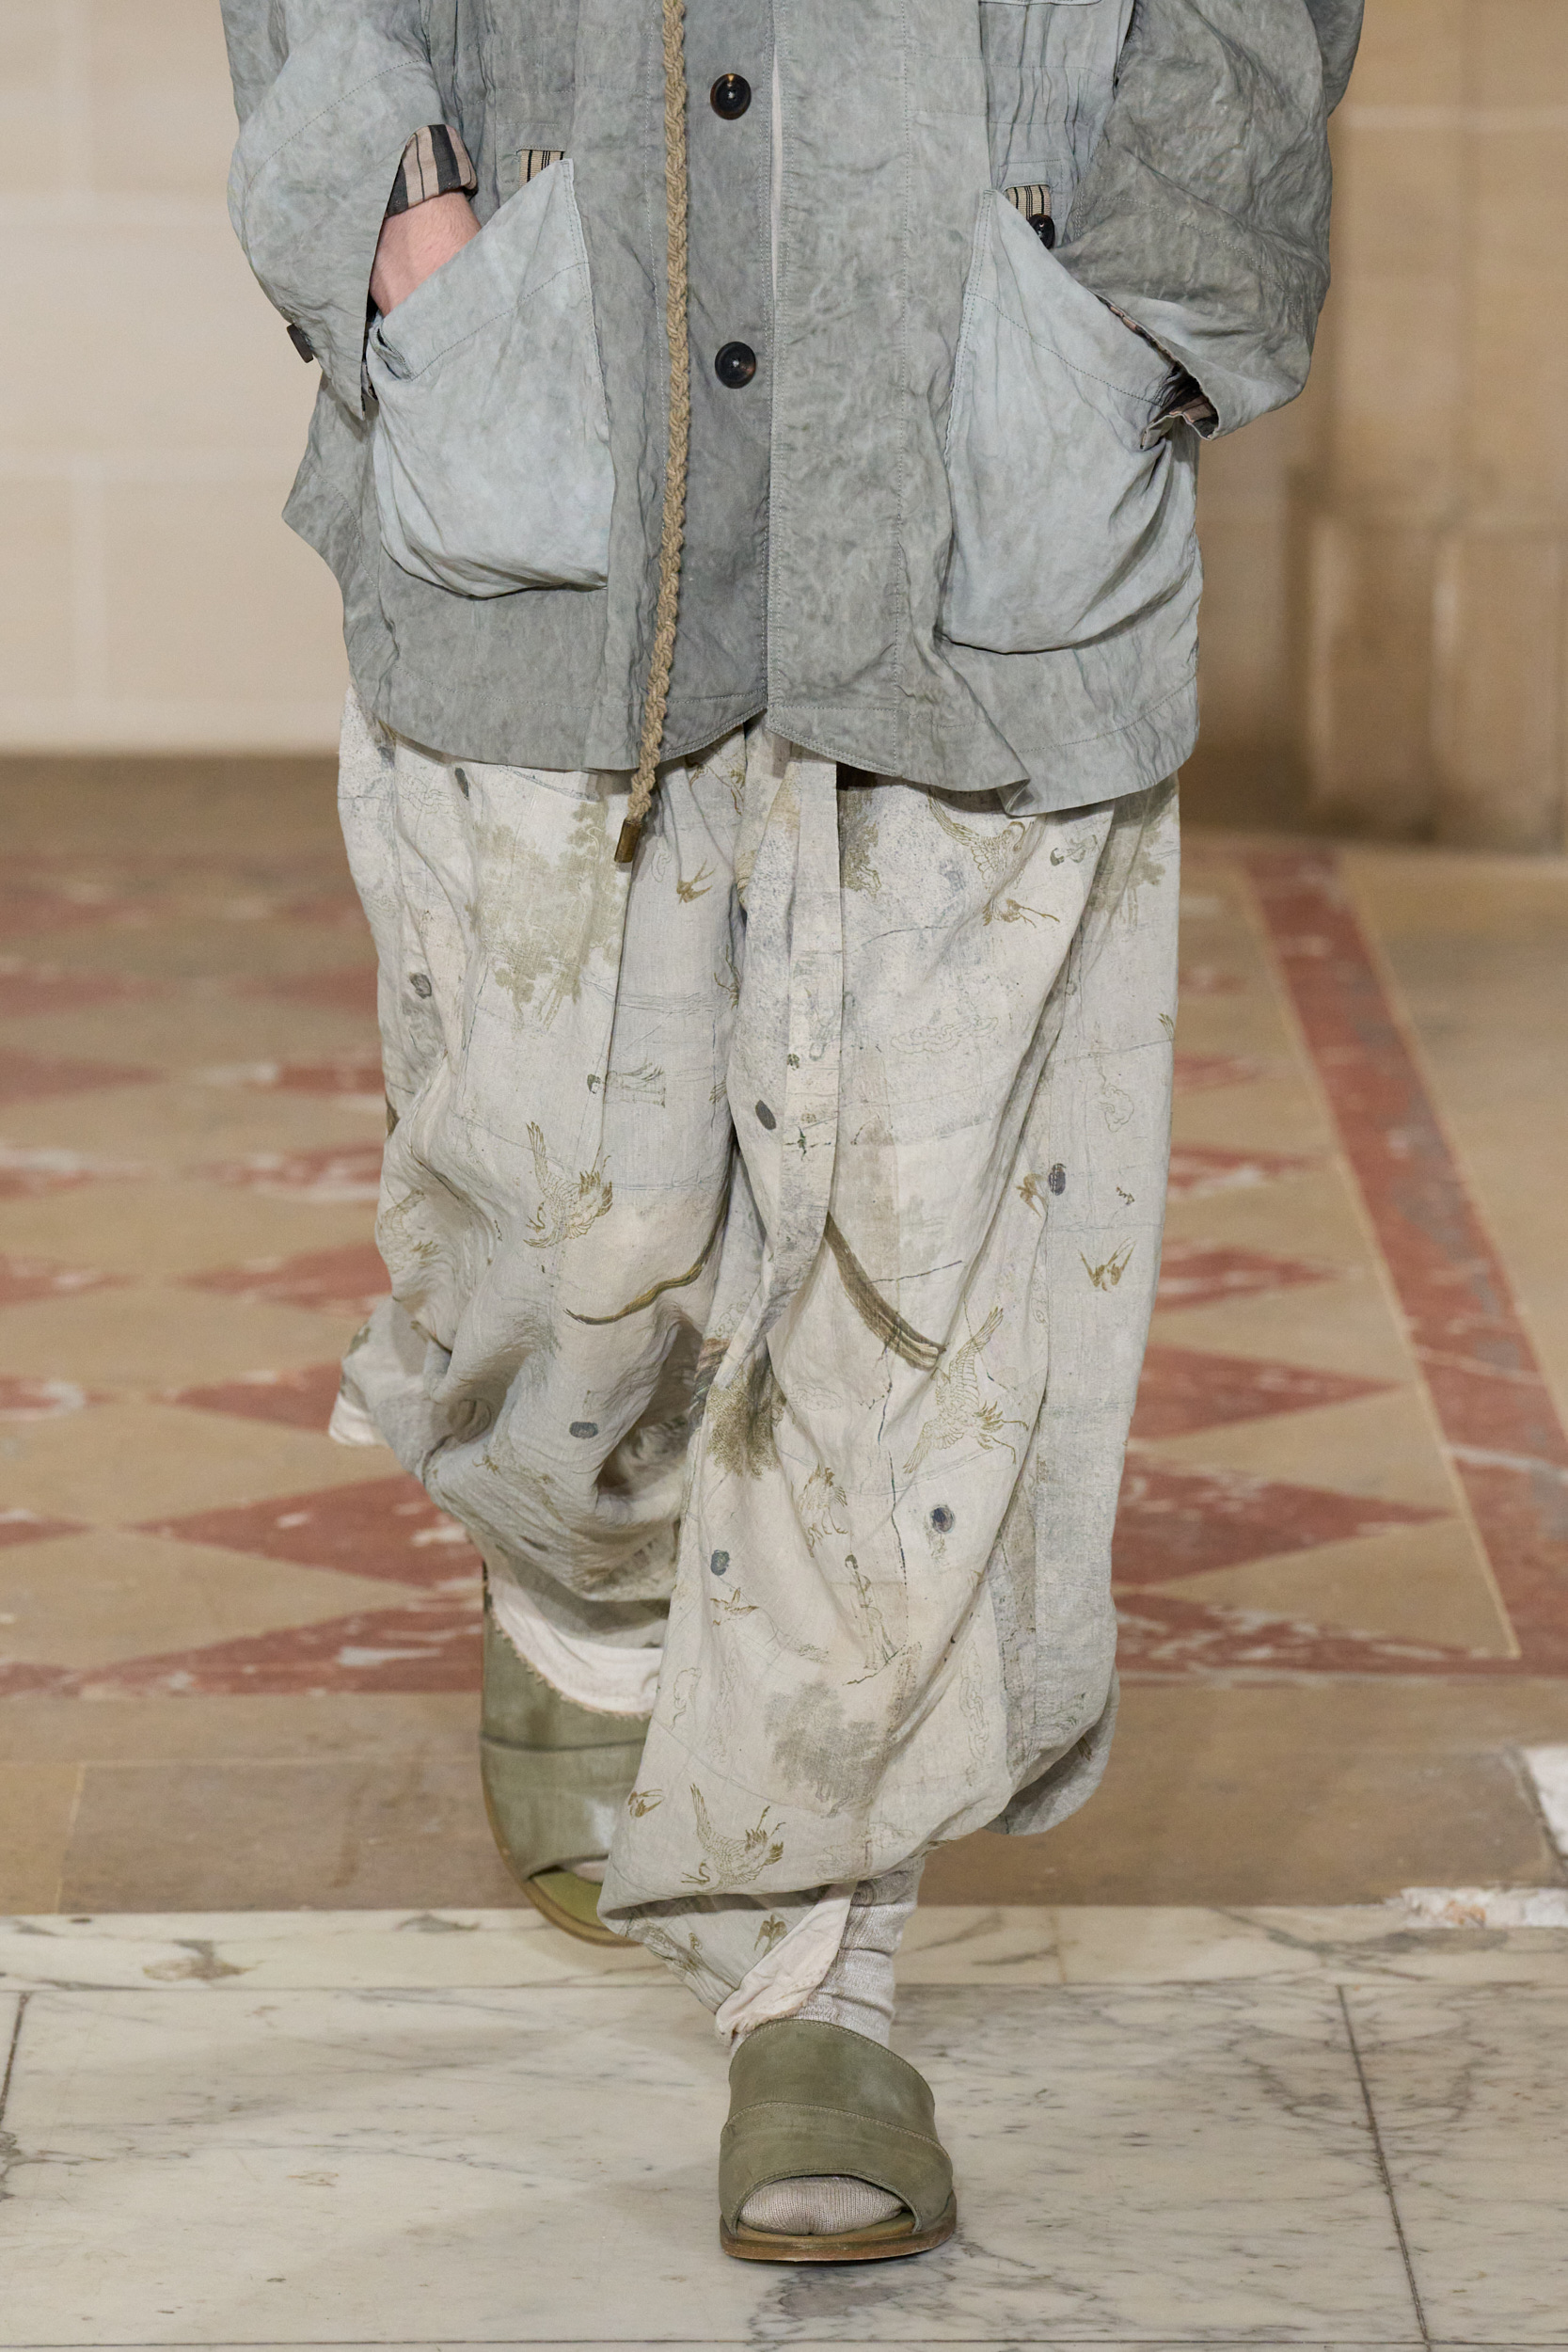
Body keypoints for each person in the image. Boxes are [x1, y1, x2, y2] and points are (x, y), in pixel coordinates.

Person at [222, 0, 1360, 2263]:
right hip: (546, 373)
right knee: (551, 1220)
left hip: (980, 414)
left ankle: (819, 1972)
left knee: (923, 1256)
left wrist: (1144, 300)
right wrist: (400, 219)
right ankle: (585, 1576)